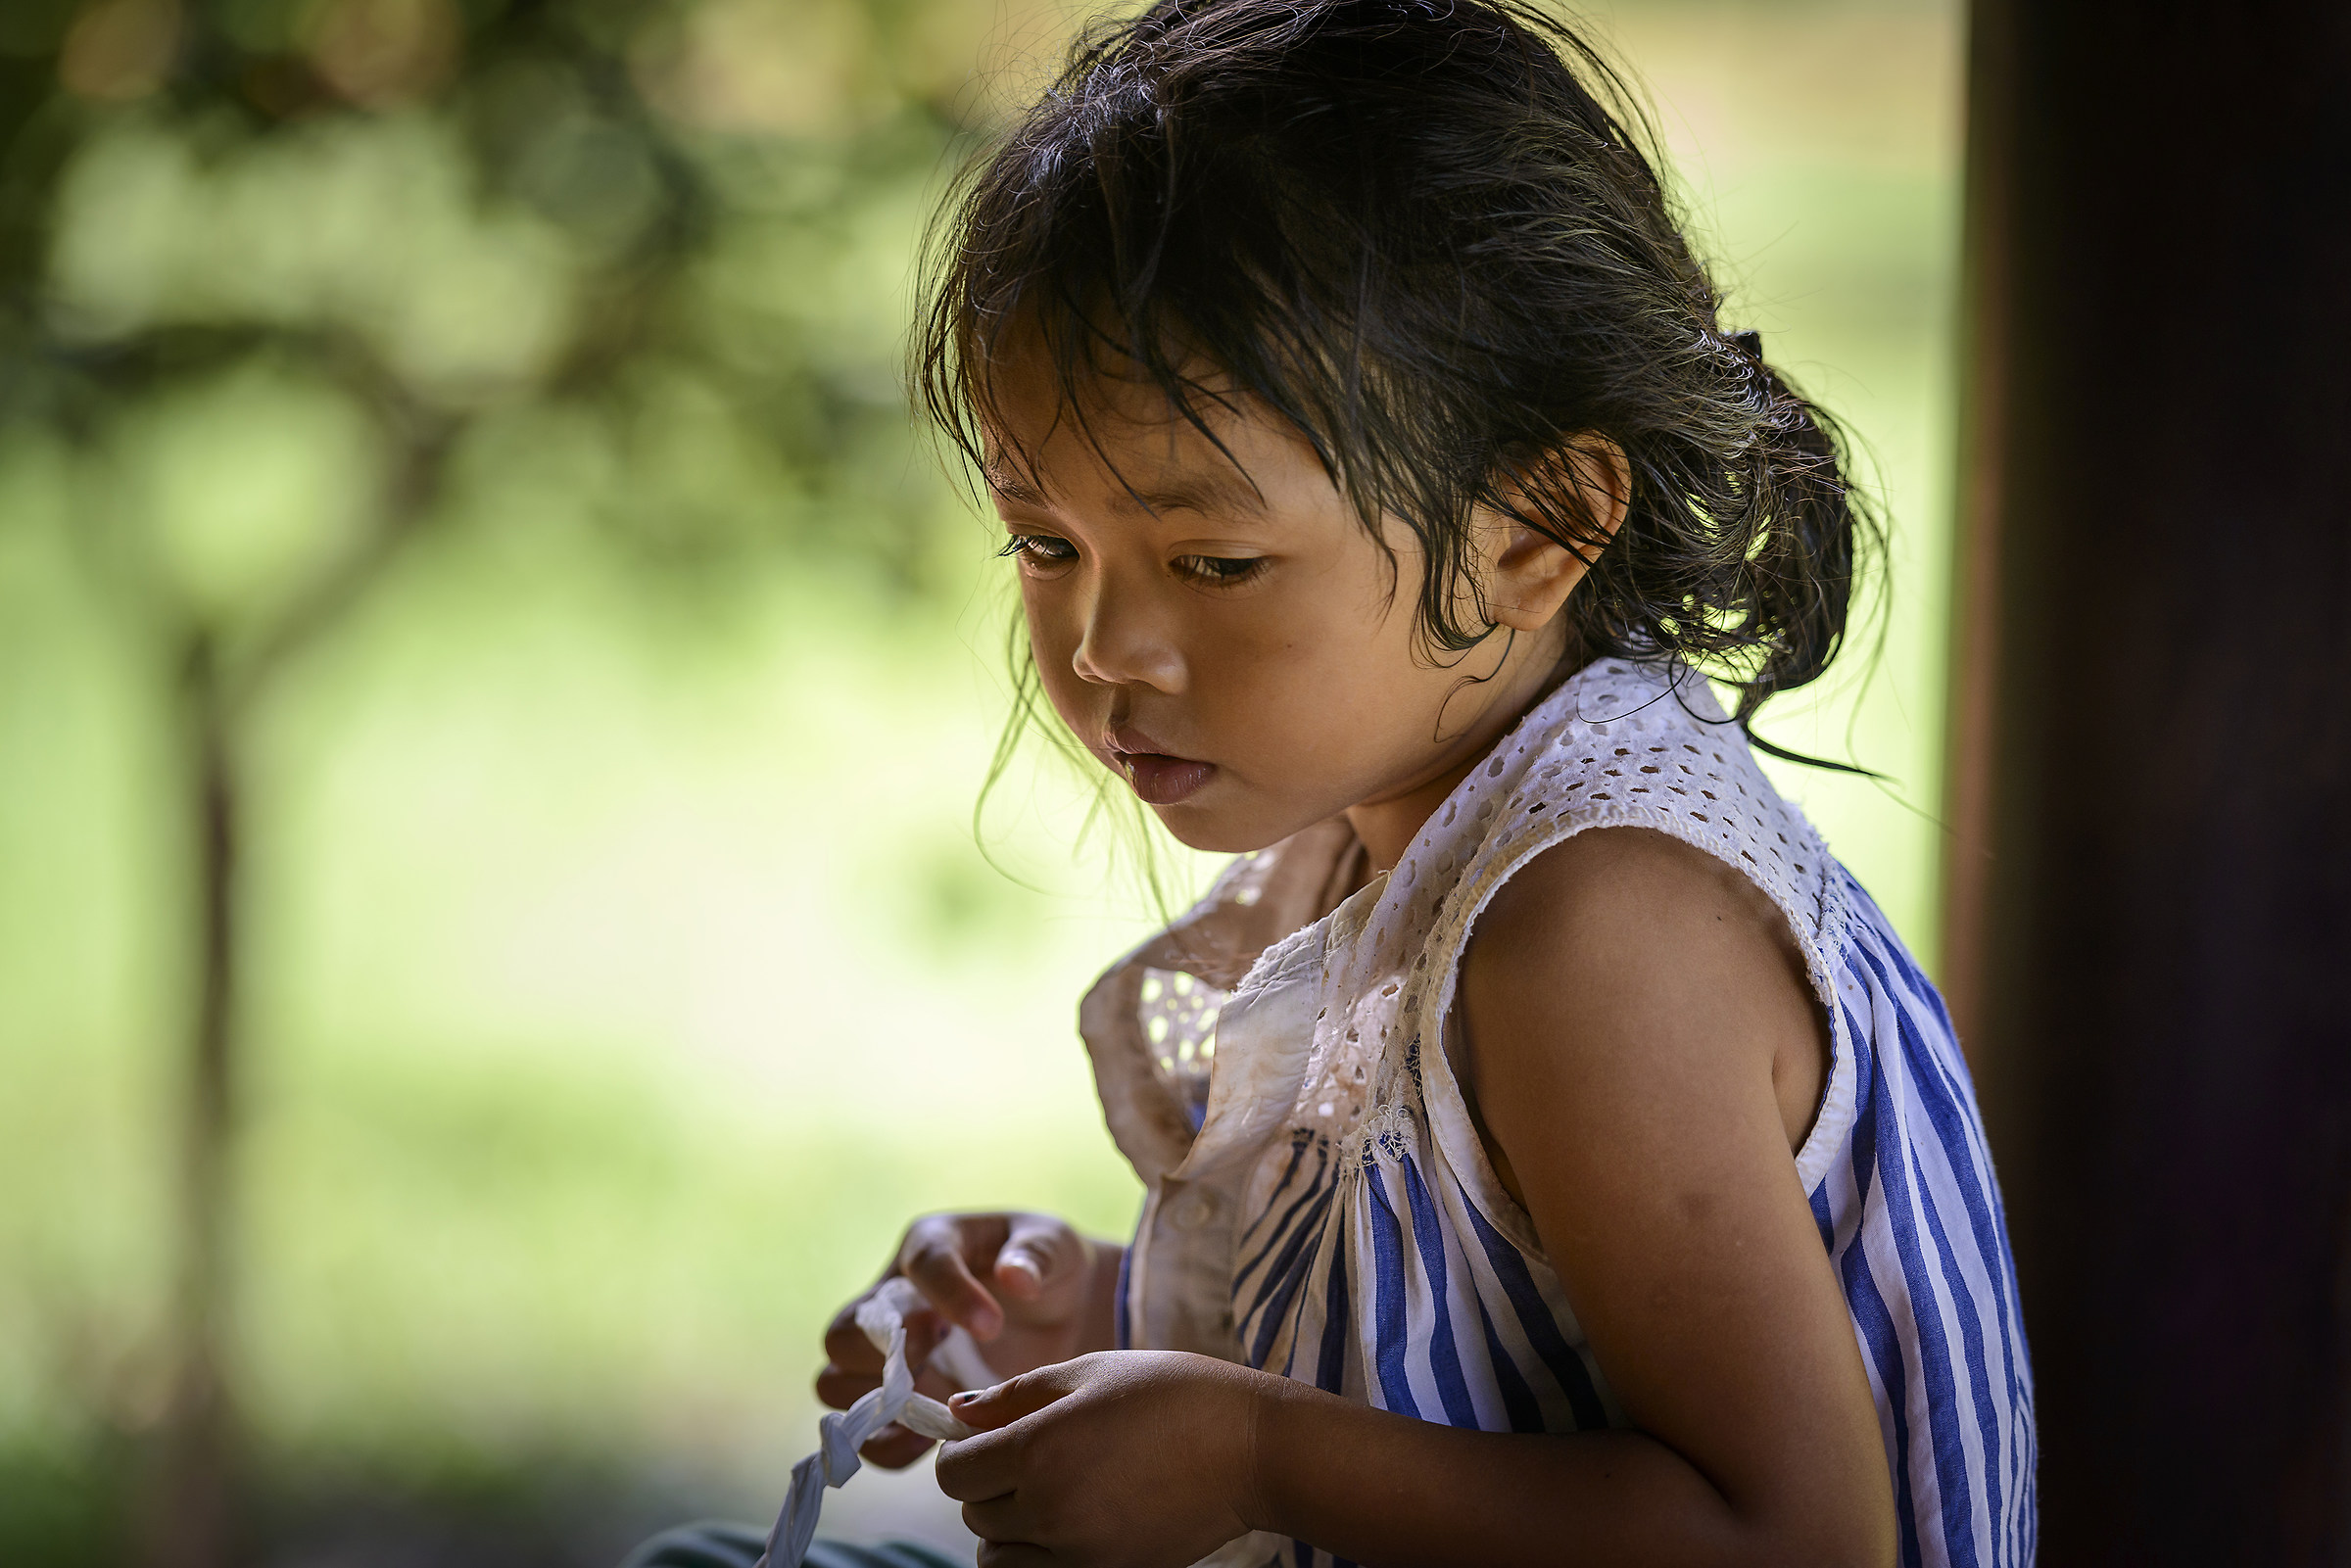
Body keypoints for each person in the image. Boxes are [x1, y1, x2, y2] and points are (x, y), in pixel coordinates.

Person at [653, 1, 2035, 1564]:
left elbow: (1796, 1538)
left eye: (1214, 559)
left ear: (1533, 530)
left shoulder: (1597, 925)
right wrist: (1101, 1318)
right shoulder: (1404, 821)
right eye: (1046, 542)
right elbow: (1471, 1365)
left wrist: (1252, 1455)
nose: (1105, 641)